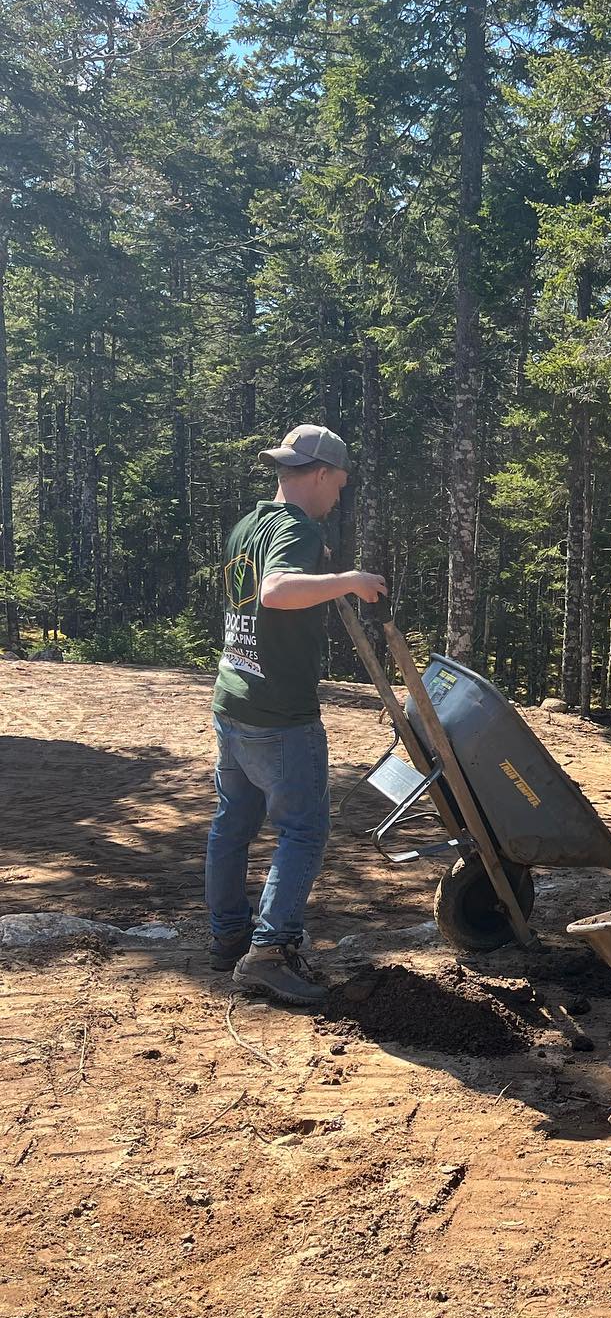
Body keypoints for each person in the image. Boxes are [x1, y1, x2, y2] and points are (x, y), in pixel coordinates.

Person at [206, 423, 387, 1006]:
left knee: (233, 822)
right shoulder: (298, 528)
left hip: (234, 699)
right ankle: (270, 953)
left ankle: (228, 936)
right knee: (304, 830)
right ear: (322, 473)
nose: (339, 495)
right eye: (340, 484)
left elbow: (264, 591)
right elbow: (277, 591)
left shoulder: (248, 525)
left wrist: (324, 575)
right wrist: (349, 581)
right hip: (280, 714)